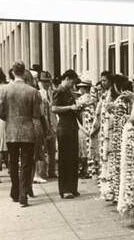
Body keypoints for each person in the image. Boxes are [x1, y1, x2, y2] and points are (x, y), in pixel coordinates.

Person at [0, 61, 45, 207]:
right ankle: (23, 194)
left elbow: (0, 112)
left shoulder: (5, 90)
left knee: (12, 162)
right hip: (27, 131)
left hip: (11, 131)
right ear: (24, 73)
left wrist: (11, 119)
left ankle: (15, 190)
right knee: (26, 164)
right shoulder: (32, 91)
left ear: (12, 72)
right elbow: (36, 114)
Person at [52, 69, 81, 199]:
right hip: (64, 127)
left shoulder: (68, 91)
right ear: (67, 79)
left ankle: (73, 187)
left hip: (72, 126)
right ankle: (65, 189)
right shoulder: (59, 91)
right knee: (65, 158)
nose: (73, 85)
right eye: (72, 82)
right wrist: (70, 108)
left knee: (73, 158)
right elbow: (54, 108)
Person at [37, 71, 57, 179]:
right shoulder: (39, 93)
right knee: (43, 150)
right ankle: (42, 173)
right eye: (44, 82)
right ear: (40, 82)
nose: (46, 84)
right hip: (44, 124)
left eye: (48, 82)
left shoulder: (52, 93)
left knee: (52, 150)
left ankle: (52, 171)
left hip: (53, 123)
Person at [75, 78, 96, 178]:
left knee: (84, 145)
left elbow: (77, 106)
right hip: (87, 122)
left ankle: (85, 169)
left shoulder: (85, 98)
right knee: (86, 145)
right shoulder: (92, 98)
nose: (80, 90)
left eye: (81, 88)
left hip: (85, 122)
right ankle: (86, 168)